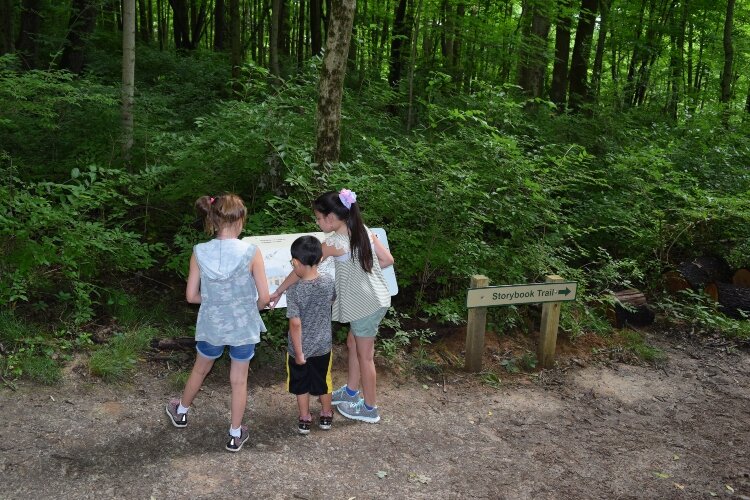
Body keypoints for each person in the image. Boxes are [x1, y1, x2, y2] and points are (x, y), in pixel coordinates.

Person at [270, 189, 394, 423]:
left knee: (365, 355)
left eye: (318, 218)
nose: (317, 222)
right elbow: (387, 260)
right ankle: (350, 391)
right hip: (376, 299)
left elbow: (302, 269)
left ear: (331, 218)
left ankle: (370, 408)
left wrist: (278, 291)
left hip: (365, 306)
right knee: (352, 342)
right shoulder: (363, 231)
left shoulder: (336, 243)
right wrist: (363, 275)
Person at [165, 194, 270, 452]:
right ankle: (235, 434)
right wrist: (248, 308)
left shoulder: (199, 252)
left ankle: (181, 411)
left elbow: (191, 296)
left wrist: (212, 300)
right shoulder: (251, 252)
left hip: (212, 324)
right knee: (239, 380)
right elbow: (265, 297)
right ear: (241, 219)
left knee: (200, 369)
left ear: (212, 219)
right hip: (243, 327)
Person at [284, 235, 337, 434]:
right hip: (323, 345)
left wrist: (298, 353)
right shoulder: (328, 282)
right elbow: (332, 301)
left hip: (299, 349)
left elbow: (295, 324)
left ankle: (305, 418)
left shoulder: (294, 291)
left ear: (297, 263)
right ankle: (325, 414)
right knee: (324, 382)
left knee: (301, 384)